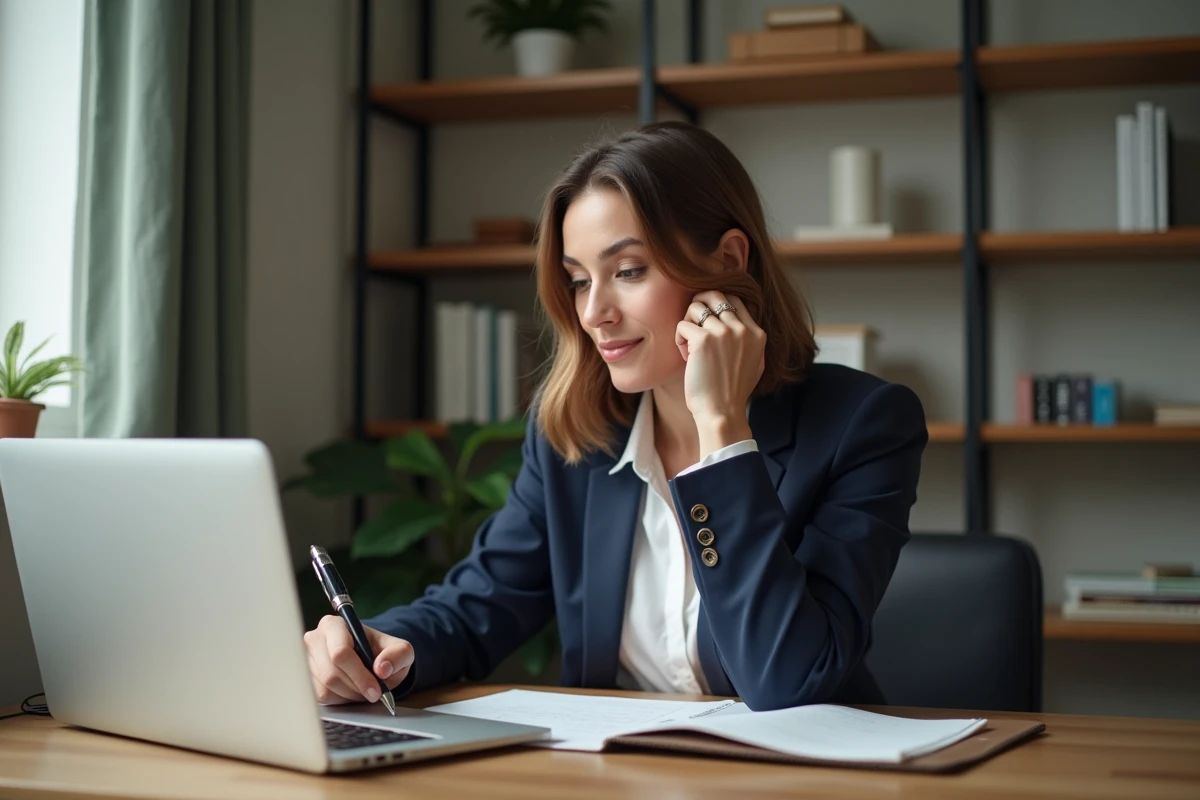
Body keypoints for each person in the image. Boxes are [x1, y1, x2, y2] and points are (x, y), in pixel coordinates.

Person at [303, 121, 928, 712]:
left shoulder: (863, 424)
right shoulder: (573, 437)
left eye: (628, 271)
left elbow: (789, 680)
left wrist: (723, 434)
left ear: (729, 260)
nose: (594, 312)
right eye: (578, 280)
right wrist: (382, 648)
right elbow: (474, 607)